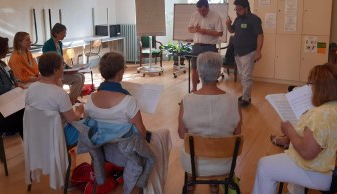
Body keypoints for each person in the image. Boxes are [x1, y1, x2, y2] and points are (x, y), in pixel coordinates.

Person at [252, 63, 337, 194]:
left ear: (320, 87)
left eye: (310, 84)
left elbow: (307, 153)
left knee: (264, 166)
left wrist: (289, 131)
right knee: (288, 160)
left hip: (329, 175)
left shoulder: (320, 114)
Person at [84, 52, 171, 194]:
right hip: (127, 155)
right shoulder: (128, 101)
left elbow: (88, 128)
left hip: (103, 152)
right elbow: (141, 134)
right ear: (120, 72)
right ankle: (151, 188)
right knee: (163, 137)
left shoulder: (90, 100)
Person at [178, 52, 241, 194]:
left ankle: (190, 179)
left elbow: (182, 134)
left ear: (199, 73)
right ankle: (215, 183)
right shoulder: (233, 101)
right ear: (219, 72)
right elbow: (237, 134)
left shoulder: (187, 100)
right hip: (225, 165)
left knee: (188, 145)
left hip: (194, 165)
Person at [25, 52, 83, 146]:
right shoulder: (60, 94)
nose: (63, 68)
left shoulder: (30, 89)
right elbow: (72, 120)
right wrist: (79, 111)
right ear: (55, 70)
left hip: (38, 135)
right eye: (62, 65)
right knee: (91, 126)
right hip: (59, 136)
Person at [226, 0, 263, 107]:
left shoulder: (254, 19)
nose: (237, 11)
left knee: (247, 76)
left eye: (239, 9)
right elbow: (232, 30)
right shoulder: (238, 19)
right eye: (236, 9)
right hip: (238, 52)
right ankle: (246, 95)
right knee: (242, 75)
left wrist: (258, 52)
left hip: (248, 52)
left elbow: (260, 36)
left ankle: (246, 98)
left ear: (246, 8)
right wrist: (228, 23)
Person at [42, 23, 85, 104]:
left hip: (61, 71)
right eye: (63, 33)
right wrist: (61, 69)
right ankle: (70, 100)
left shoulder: (60, 43)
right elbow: (49, 63)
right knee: (78, 78)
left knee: (82, 76)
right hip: (54, 73)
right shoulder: (47, 45)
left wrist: (69, 68)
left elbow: (61, 60)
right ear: (56, 33)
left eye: (65, 33)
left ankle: (73, 99)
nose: (65, 35)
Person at [188, 0, 223, 92]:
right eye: (199, 10)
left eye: (203, 10)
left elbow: (220, 33)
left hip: (210, 46)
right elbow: (190, 29)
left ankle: (211, 90)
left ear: (208, 7)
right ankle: (194, 89)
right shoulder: (194, 15)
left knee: (211, 69)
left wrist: (206, 31)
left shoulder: (216, 16)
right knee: (194, 68)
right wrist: (195, 29)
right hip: (197, 46)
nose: (201, 12)